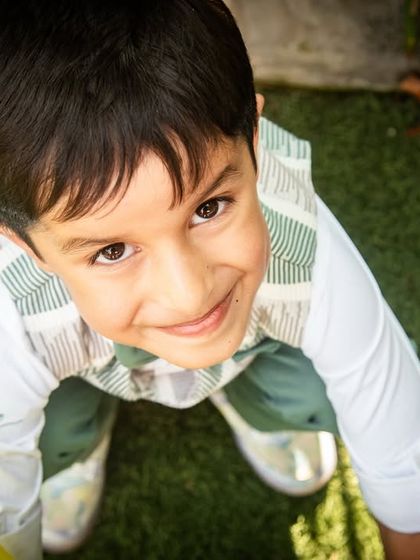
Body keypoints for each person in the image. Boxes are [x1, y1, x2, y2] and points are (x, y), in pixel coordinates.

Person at [0, 1, 419, 558]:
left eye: (209, 207)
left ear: (255, 144)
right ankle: (73, 448)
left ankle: (262, 407)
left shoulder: (304, 246)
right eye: (113, 250)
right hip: (78, 371)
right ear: (24, 246)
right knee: (32, 429)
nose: (189, 291)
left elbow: (400, 435)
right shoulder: (14, 314)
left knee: (331, 382)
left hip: (253, 343)